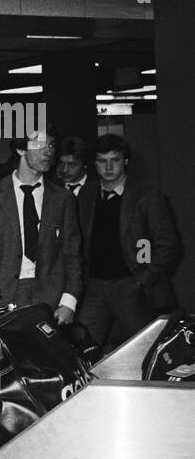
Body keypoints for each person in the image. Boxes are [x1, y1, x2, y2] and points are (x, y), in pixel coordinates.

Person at [77, 134, 181, 349]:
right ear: (94, 164)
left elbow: (167, 244)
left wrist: (143, 279)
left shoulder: (147, 196)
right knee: (83, 348)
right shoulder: (87, 194)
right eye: (102, 161)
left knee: (142, 349)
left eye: (114, 160)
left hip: (131, 284)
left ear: (125, 162)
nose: (108, 167)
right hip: (94, 285)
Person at [0, 128, 82, 319]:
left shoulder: (63, 198)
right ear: (20, 150)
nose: (48, 152)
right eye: (39, 145)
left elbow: (72, 254)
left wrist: (69, 302)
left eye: (51, 145)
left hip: (49, 297)